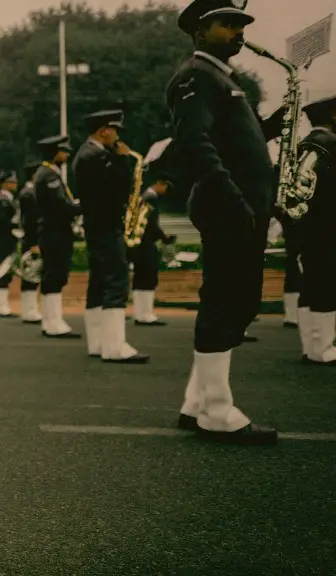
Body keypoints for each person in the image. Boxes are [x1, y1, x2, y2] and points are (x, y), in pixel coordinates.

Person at [169, 0, 289, 445]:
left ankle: (195, 402)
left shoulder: (221, 78)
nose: (238, 31)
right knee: (227, 302)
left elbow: (235, 138)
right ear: (199, 31)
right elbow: (196, 144)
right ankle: (217, 412)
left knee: (236, 301)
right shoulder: (197, 76)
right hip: (229, 205)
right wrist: (235, 201)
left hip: (241, 203)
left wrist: (274, 126)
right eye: (227, 24)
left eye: (241, 24)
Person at [73, 110, 149, 363]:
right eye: (115, 131)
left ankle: (98, 343)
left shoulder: (87, 154)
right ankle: (115, 347)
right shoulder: (97, 156)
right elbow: (116, 189)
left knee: (99, 283)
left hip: (97, 226)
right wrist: (123, 161)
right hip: (106, 226)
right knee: (116, 282)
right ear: (104, 130)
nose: (117, 137)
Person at [295, 94, 336, 365]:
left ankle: (311, 346)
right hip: (329, 223)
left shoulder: (303, 144)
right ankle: (324, 349)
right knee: (327, 285)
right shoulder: (331, 144)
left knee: (309, 285)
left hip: (305, 223)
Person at [33, 134, 82, 339]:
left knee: (53, 276)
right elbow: (60, 206)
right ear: (54, 152)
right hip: (56, 232)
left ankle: (51, 321)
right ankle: (53, 323)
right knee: (56, 276)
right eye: (63, 151)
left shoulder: (46, 173)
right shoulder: (49, 175)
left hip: (53, 231)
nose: (66, 154)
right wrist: (81, 206)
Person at [130, 175, 177, 326]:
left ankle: (140, 313)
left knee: (140, 277)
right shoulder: (151, 198)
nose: (165, 191)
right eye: (166, 187)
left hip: (137, 242)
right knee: (149, 276)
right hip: (146, 242)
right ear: (159, 183)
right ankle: (146, 314)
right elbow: (151, 223)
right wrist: (164, 237)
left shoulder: (142, 196)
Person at [18, 161, 43, 324]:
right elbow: (30, 221)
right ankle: (29, 310)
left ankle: (31, 309)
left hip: (34, 237)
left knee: (34, 275)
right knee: (30, 275)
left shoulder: (32, 192)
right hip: (32, 238)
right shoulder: (29, 193)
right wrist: (33, 242)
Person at [0, 171, 20, 318]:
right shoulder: (4, 200)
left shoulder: (9, 199)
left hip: (9, 239)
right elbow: (4, 222)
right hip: (6, 239)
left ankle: (2, 304)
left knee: (7, 272)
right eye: (12, 182)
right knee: (3, 271)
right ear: (4, 184)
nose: (15, 184)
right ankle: (0, 306)